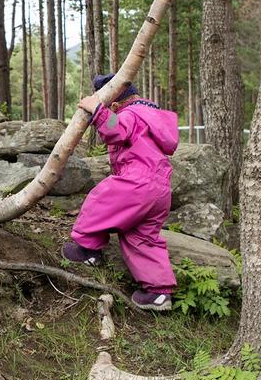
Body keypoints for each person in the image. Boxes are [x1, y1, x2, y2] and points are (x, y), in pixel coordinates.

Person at [61, 74, 179, 311]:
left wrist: (99, 113)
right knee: (141, 237)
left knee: (100, 200)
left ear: (114, 104)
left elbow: (118, 129)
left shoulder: (130, 114)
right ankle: (157, 293)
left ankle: (88, 250)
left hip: (137, 181)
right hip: (160, 189)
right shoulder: (152, 116)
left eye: (109, 108)